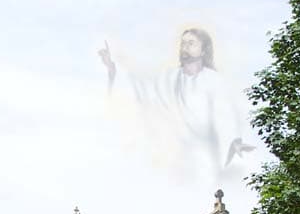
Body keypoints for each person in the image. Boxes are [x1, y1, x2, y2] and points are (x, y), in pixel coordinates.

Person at [99, 28, 253, 172]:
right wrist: (112, 68)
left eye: (191, 43)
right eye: (183, 43)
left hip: (205, 156)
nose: (185, 47)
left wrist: (235, 141)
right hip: (176, 156)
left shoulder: (214, 80)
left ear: (204, 50)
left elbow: (225, 113)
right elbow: (140, 90)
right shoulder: (168, 78)